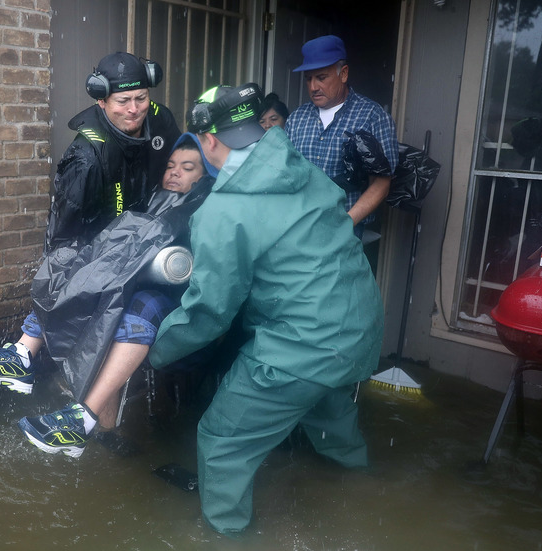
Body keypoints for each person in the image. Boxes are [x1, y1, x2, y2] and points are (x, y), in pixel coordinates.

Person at [146, 83, 384, 536]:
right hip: (359, 331)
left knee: (221, 442)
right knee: (327, 411)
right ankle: (366, 492)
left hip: (301, 346)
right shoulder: (306, 171)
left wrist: (156, 351)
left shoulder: (224, 210)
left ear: (209, 140)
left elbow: (209, 311)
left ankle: (226, 538)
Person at [0, 51, 181, 394]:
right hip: (99, 249)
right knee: (80, 270)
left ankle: (23, 355)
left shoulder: (160, 120)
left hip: (151, 235)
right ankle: (23, 355)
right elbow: (62, 239)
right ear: (102, 99)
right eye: (123, 101)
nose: (135, 109)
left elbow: (180, 162)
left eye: (141, 98)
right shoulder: (85, 158)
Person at [17, 133, 217, 456]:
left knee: (137, 305)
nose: (174, 172)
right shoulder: (151, 201)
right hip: (130, 287)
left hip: (175, 299)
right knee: (81, 269)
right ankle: (25, 354)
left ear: (204, 175)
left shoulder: (206, 208)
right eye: (170, 165)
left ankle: (83, 419)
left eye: (188, 167)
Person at [284, 35, 398, 239]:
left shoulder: (372, 117)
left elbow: (381, 182)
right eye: (308, 79)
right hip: (298, 225)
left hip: (346, 229)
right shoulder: (296, 119)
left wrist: (346, 223)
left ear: (343, 74)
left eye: (321, 77)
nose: (313, 87)